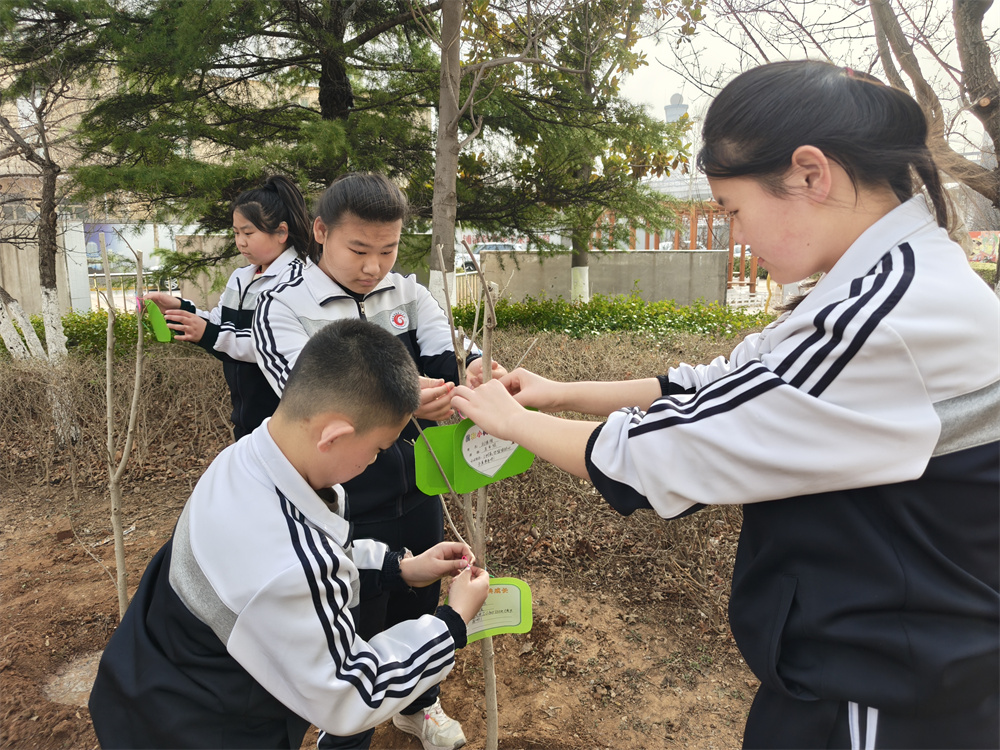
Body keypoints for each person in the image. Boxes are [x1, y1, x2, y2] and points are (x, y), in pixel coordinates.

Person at [451, 60, 999, 749]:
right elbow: (724, 382)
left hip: (883, 694)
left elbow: (663, 453)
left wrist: (516, 423)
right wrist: (558, 393)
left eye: (733, 210)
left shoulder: (882, 319)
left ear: (811, 174)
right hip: (877, 662)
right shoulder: (887, 283)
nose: (736, 236)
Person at [88, 319, 490, 750]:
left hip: (147, 685)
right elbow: (353, 694)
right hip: (202, 733)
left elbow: (313, 560)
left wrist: (399, 568)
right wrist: (452, 622)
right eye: (377, 449)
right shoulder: (286, 563)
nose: (375, 462)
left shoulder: (243, 460)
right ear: (333, 436)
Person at [254, 172, 503, 750]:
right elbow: (309, 401)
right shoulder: (282, 307)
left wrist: (473, 371)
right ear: (321, 232)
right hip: (343, 498)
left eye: (387, 250)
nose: (373, 267)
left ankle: (418, 706)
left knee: (420, 596)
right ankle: (344, 734)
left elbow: (448, 354)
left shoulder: (410, 296)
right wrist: (409, 401)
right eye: (359, 249)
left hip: (419, 485)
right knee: (357, 612)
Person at [143, 174, 314, 439]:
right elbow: (220, 321)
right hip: (246, 417)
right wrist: (181, 310)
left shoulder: (296, 279)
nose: (240, 242)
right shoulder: (241, 277)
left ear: (281, 232)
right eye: (236, 233)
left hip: (285, 420)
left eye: (249, 233)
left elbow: (270, 346)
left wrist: (208, 335)